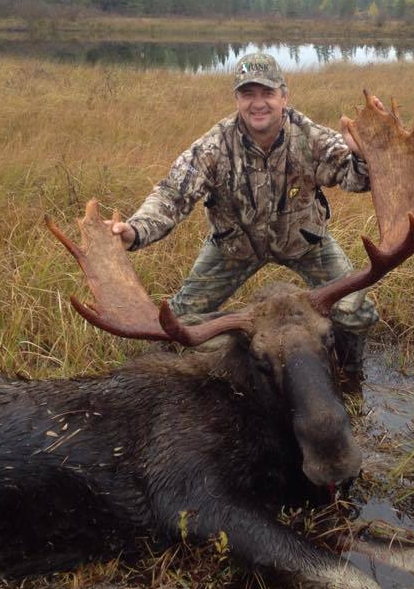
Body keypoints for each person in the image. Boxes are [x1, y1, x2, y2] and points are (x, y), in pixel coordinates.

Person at [107, 52, 379, 378]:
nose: (258, 103)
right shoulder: (214, 146)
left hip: (304, 243)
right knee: (176, 324)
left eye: (267, 93)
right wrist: (135, 230)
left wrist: (362, 155)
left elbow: (354, 178)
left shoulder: (311, 138)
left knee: (355, 312)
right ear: (237, 98)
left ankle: (346, 375)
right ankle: (193, 374)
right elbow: (171, 195)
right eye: (248, 94)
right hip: (233, 249)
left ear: (284, 96)